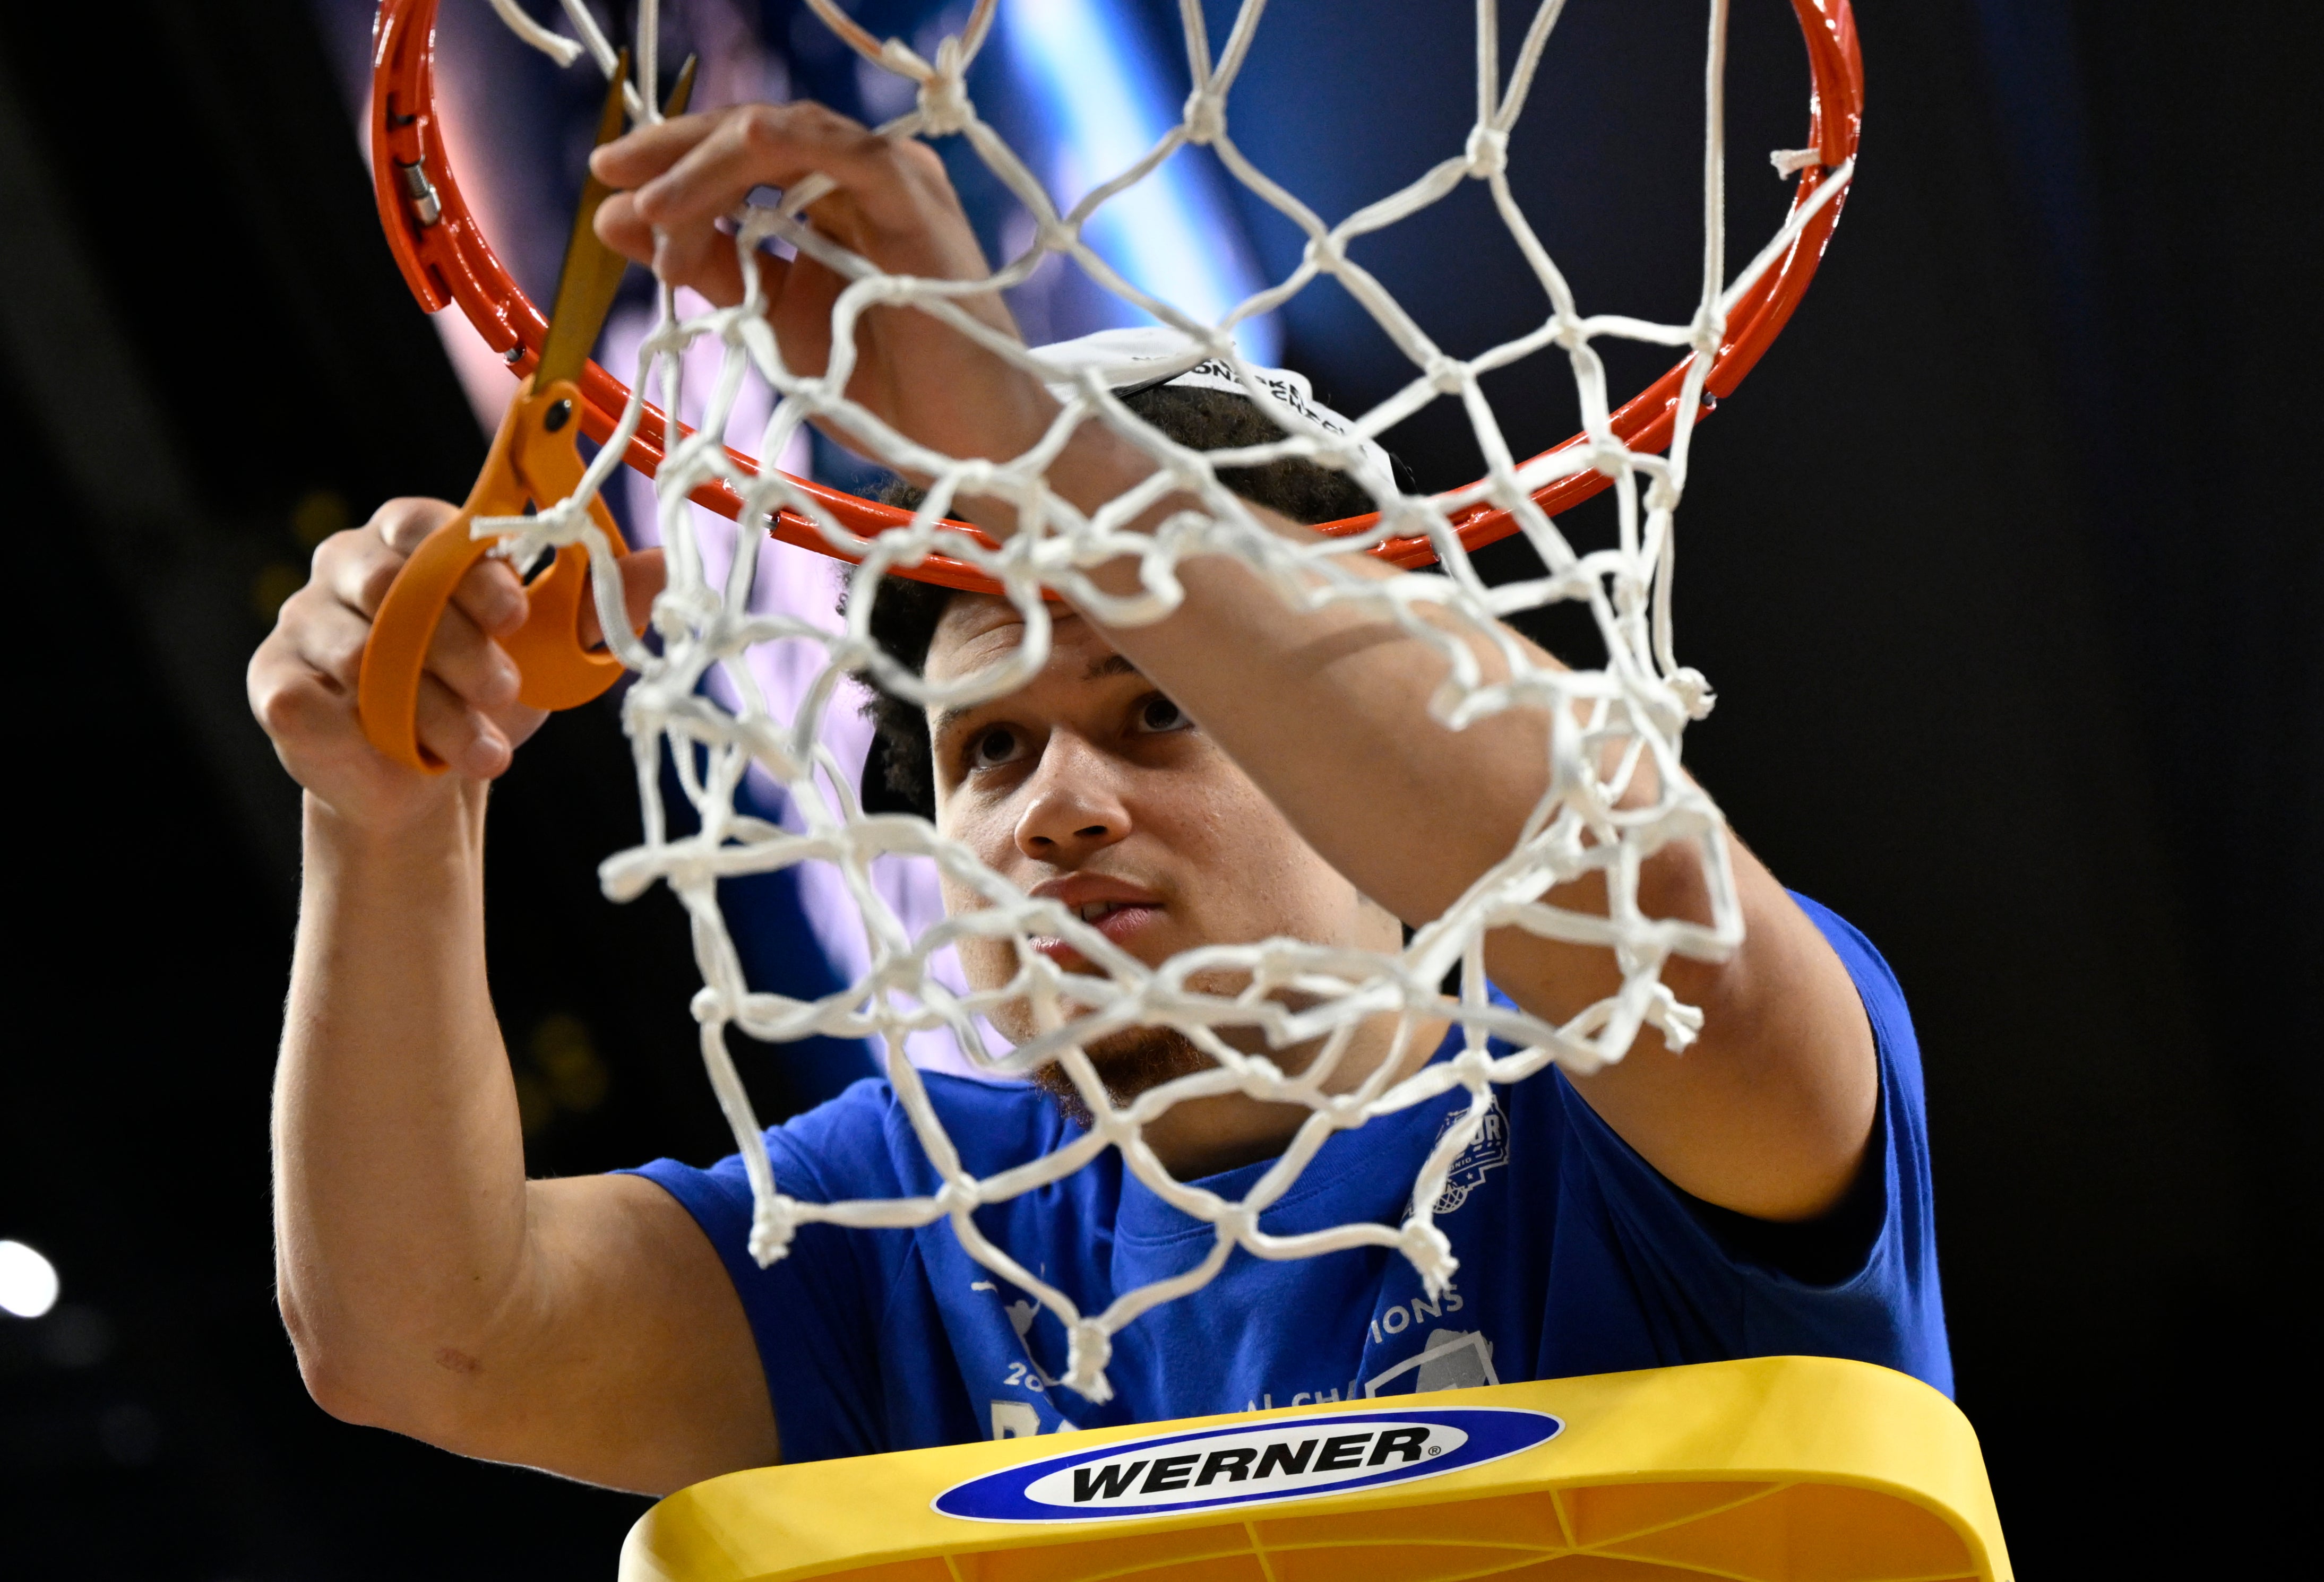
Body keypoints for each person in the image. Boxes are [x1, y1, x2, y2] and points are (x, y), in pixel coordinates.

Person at [246, 97, 1946, 1498]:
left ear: (1345, 763)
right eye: (989, 749)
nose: (1057, 805)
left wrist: (1026, 436)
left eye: (1162, 710)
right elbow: (421, 1338)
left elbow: (1672, 946)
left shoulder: (1609, 1115)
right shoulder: (917, 1231)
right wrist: (387, 823)